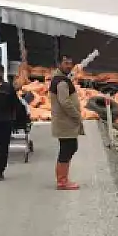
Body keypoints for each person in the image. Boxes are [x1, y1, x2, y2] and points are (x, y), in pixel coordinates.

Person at [50, 55, 85, 190]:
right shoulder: (61, 82)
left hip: (65, 122)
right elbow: (65, 102)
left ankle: (63, 178)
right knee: (67, 149)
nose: (69, 66)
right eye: (66, 63)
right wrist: (76, 116)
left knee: (70, 148)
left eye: (70, 63)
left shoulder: (62, 79)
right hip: (65, 122)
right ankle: (62, 181)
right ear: (59, 64)